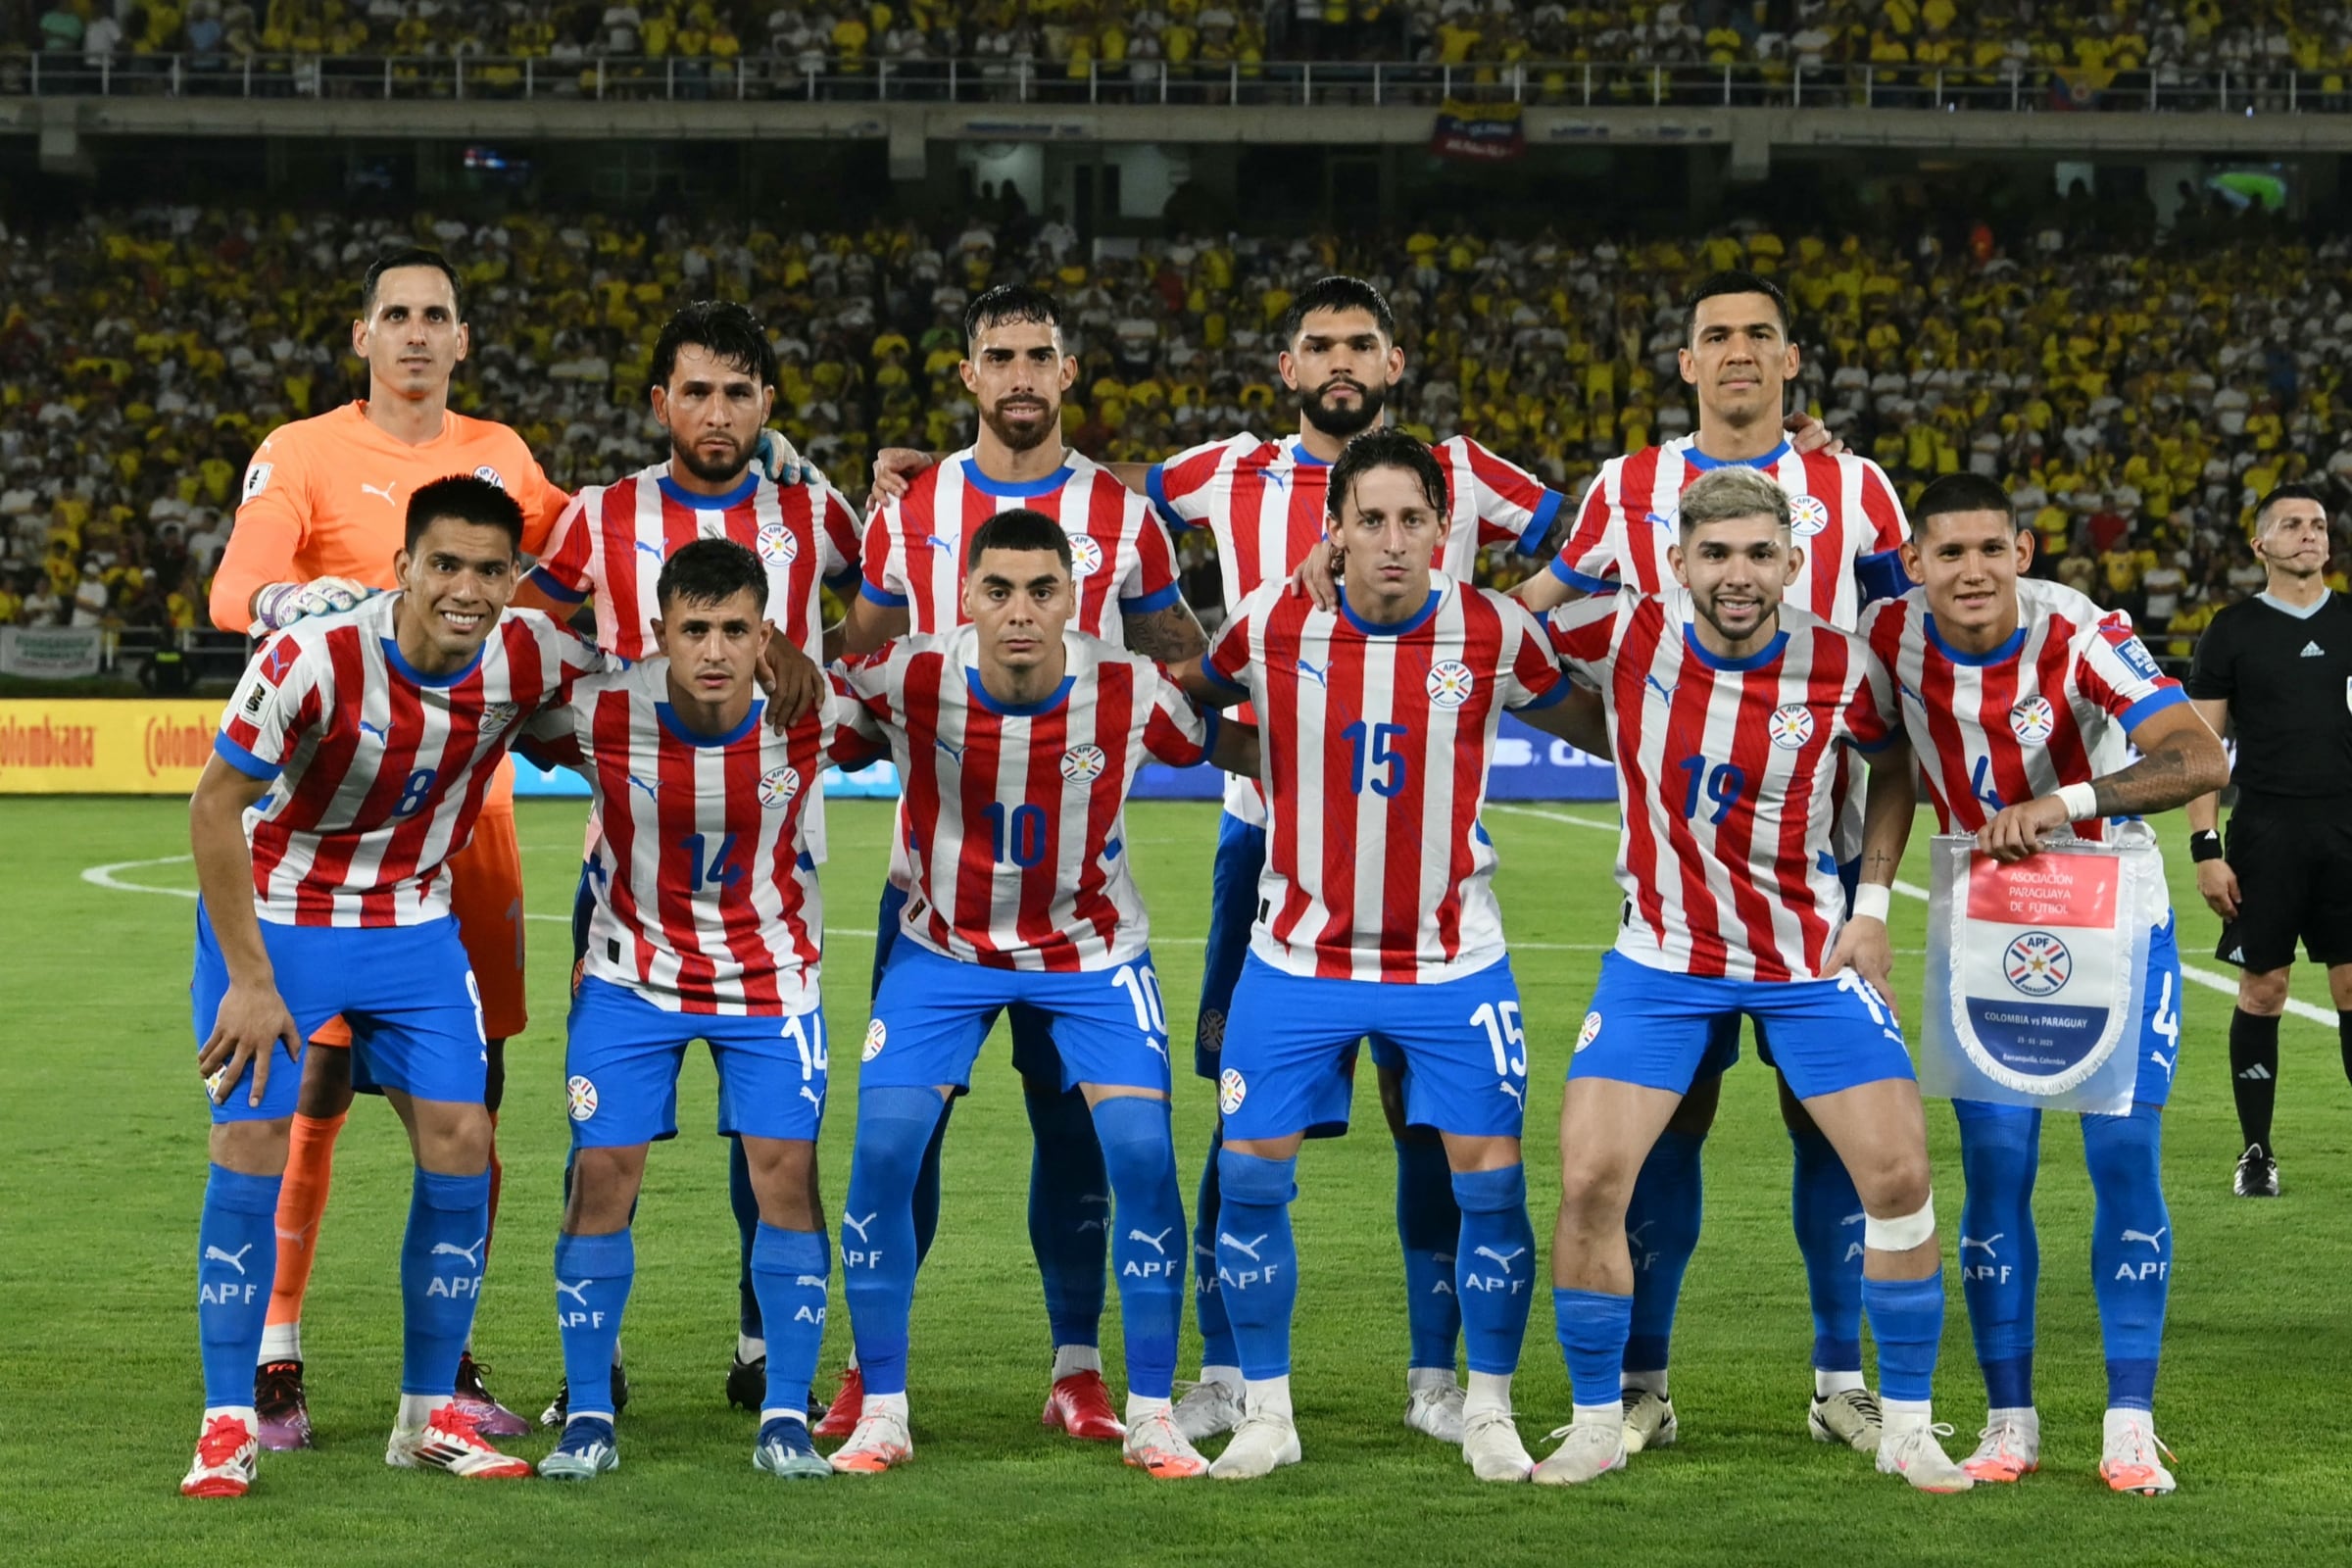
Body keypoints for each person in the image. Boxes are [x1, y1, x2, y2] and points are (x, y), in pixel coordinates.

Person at [869, 272, 1574, 1444]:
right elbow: (1093, 492)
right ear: (1287, 367)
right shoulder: (1222, 472)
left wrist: (1482, 616)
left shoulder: (1455, 473)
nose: (1340, 361)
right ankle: (1224, 1369)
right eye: (1318, 345)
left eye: (1362, 343)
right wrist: (932, 472)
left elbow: (1584, 535)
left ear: (1393, 363)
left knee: (1429, 1122)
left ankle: (1439, 1379)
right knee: (1239, 1116)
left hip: (1420, 859)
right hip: (1266, 840)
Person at [1516, 270, 1913, 1457]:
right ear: (1686, 362)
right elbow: (1529, 615)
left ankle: (1840, 1380)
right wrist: (1637, 740)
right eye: (1715, 336)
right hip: (1676, 892)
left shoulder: (1857, 487)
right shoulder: (1625, 486)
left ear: (1791, 360)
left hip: (1815, 880)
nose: (1738, 351)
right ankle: (1639, 1383)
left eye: (1760, 335)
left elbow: (1904, 643)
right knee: (1661, 1136)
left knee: (1830, 1135)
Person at [824, 284, 1208, 1444]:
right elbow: (858, 662)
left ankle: (1077, 1368)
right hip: (932, 891)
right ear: (969, 374)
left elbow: (1181, 660)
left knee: (1078, 1132)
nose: (1023, 375)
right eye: (1001, 356)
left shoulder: (1123, 515)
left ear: (1069, 370)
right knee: (905, 1138)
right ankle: (872, 1373)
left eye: (1041, 354)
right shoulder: (912, 508)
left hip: (1075, 899)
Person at [1172, 428, 1590, 1484]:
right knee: (1250, 1176)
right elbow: (1186, 704)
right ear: (1336, 532)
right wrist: (1268, 755)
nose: (1393, 541)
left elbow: (1606, 725)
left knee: (1490, 1188)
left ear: (1445, 531)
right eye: (1371, 520)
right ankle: (1268, 1412)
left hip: (1451, 963)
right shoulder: (1272, 620)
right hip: (1296, 958)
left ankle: (1486, 1408)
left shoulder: (1496, 631)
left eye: (1413, 520)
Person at [208, 248, 571, 1446]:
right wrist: (287, 603)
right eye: (396, 315)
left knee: (473, 1097)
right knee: (310, 1082)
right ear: (361, 335)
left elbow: (595, 558)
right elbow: (235, 587)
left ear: (463, 339)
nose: (417, 334)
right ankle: (276, 1350)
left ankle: (445, 1364)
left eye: (437, 317)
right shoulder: (305, 450)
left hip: (470, 820)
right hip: (334, 821)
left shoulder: (504, 456)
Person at [180, 476, 605, 1498]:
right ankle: (227, 1421)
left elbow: (637, 690)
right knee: (252, 1142)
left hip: (412, 921)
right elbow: (213, 806)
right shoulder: (314, 657)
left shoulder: (530, 656)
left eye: (490, 571)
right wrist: (248, 979)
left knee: (462, 1137)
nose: (467, 589)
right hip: (283, 915)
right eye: (445, 564)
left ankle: (425, 1417)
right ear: (403, 565)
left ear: (513, 578)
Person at [512, 300, 857, 1424]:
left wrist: (815, 658)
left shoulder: (814, 510)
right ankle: (595, 1365)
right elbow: (526, 632)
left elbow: (883, 616)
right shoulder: (603, 513)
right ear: (660, 400)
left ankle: (765, 1347)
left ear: (768, 405)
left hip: (777, 866)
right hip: (631, 864)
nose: (717, 412)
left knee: (774, 1136)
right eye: (695, 390)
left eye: (738, 392)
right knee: (605, 1133)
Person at [1859, 470, 2230, 1494]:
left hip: (2113, 918)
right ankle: (2008, 1420)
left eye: (1993, 548)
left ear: (2023, 551)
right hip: (1985, 926)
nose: (1973, 569)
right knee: (1994, 1168)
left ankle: (2129, 1422)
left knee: (2124, 1159)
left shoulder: (2079, 631)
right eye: (1949, 552)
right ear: (1915, 563)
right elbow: (1884, 767)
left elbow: (2198, 758)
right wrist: (1872, 903)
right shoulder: (1886, 636)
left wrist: (2068, 800)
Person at [2183, 482, 2352, 1198]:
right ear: (2261, 545)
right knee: (2264, 989)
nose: (2309, 534)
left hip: (2348, 830)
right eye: (2292, 524)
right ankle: (2256, 1151)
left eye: (2318, 524)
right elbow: (2200, 750)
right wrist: (2205, 847)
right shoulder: (2232, 630)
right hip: (2267, 833)